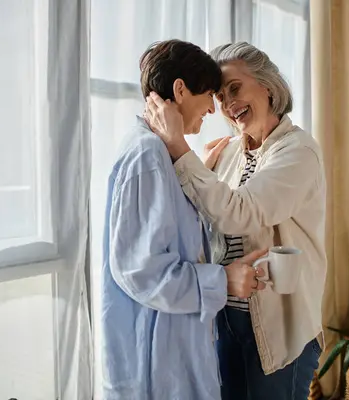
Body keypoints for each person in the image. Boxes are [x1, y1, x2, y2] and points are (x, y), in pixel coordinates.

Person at [144, 42, 327, 400]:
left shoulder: (299, 152)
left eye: (235, 88)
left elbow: (240, 213)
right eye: (220, 94)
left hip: (278, 330)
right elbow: (207, 216)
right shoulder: (228, 151)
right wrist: (199, 163)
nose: (227, 104)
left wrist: (180, 147)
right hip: (226, 319)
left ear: (268, 85)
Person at [101, 39, 267, 400]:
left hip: (173, 348)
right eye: (209, 94)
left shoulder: (159, 151)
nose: (212, 108)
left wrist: (194, 178)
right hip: (158, 361)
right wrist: (222, 281)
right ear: (180, 89)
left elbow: (174, 237)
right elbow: (140, 270)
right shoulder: (147, 154)